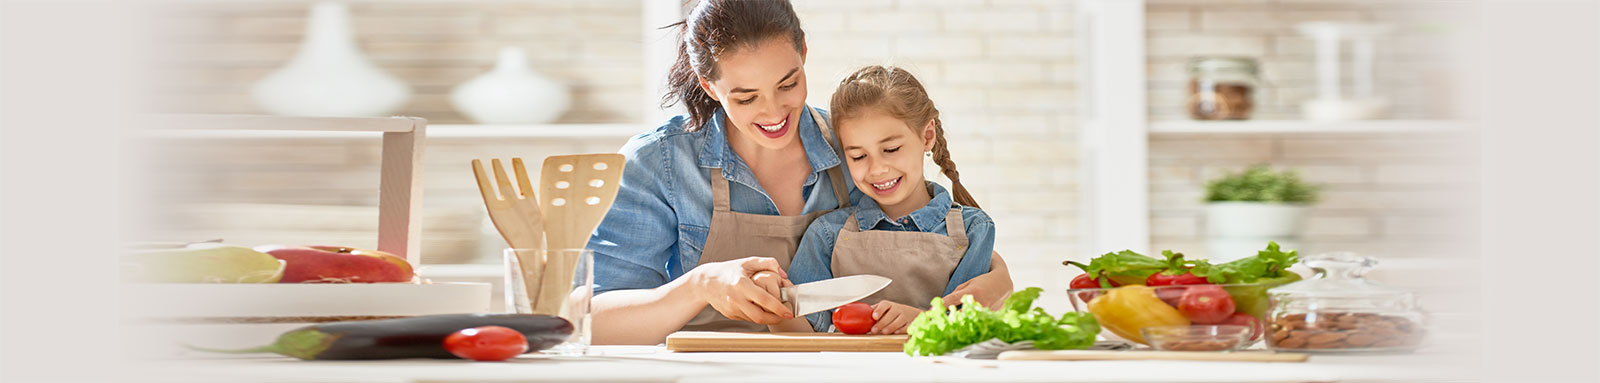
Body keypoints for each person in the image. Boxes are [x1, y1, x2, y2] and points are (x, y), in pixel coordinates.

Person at [585, 0, 1012, 345]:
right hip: (708, 372)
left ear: (804, 53)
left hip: (829, 367)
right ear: (710, 85)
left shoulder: (855, 150)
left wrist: (995, 275)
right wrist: (701, 284)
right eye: (747, 97)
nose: (773, 112)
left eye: (788, 84)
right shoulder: (660, 162)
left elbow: (925, 234)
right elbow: (592, 321)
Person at [771, 66, 1001, 335]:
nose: (877, 169)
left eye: (890, 150)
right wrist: (775, 310)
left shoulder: (973, 230)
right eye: (858, 156)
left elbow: (965, 329)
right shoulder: (826, 235)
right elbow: (803, 336)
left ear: (927, 136)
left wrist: (920, 321)